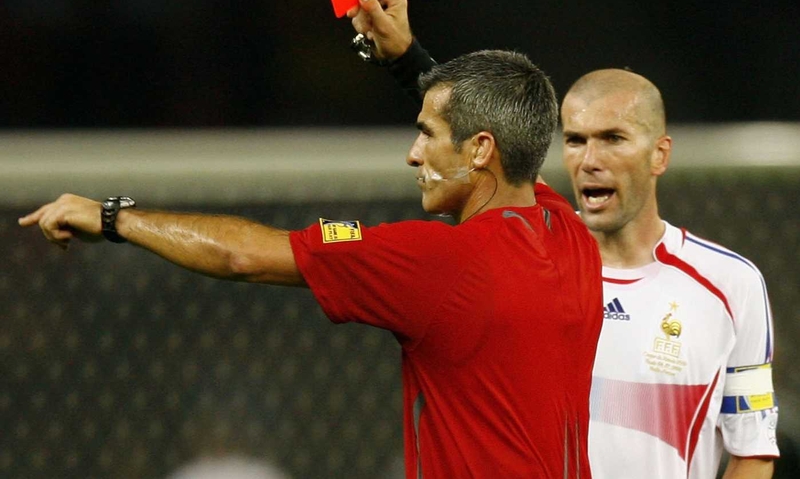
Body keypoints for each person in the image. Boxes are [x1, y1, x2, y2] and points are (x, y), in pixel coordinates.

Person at [19, 50, 603, 479]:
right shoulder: (570, 235)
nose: (413, 154)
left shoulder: (436, 259)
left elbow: (240, 255)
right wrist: (407, 60)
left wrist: (113, 217)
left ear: (479, 149)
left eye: (426, 134)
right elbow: (510, 150)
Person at [346, 0, 780, 478]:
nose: (590, 160)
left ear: (660, 154)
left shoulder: (730, 284)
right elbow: (476, 133)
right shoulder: (533, 254)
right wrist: (404, 55)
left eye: (612, 138)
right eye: (574, 141)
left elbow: (752, 449)